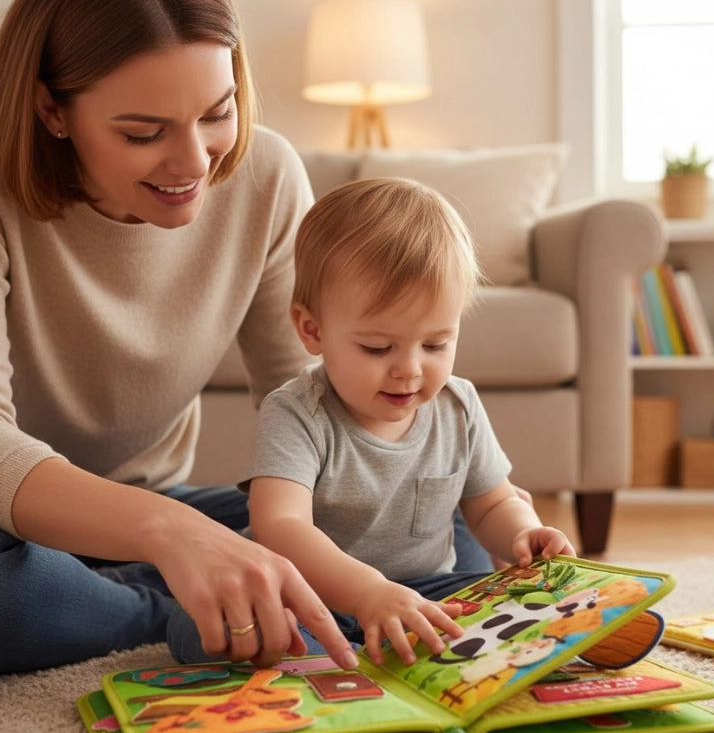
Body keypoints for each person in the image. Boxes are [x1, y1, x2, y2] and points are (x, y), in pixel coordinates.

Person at [0, 0, 362, 674]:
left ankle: (164, 599)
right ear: (51, 109)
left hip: (159, 504)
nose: (195, 162)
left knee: (425, 535)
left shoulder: (267, 177)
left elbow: (320, 415)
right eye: (144, 133)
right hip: (11, 525)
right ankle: (186, 611)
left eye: (216, 114)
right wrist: (175, 536)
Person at [241, 178, 577, 667]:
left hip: (425, 590)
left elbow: (491, 505)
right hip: (316, 596)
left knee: (515, 608)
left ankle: (393, 653)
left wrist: (524, 533)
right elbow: (279, 526)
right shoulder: (296, 413)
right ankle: (343, 660)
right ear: (312, 330)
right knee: (224, 627)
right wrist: (367, 592)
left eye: (436, 345)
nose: (410, 369)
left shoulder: (458, 406)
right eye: (378, 348)